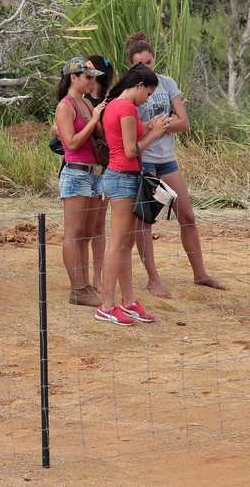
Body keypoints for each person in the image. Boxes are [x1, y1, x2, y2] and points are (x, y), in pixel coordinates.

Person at [126, 33, 226, 297]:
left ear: (154, 60)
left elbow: (184, 122)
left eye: (149, 62)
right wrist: (157, 126)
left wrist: (159, 126)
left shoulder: (166, 83)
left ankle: (200, 273)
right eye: (140, 65)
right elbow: (132, 129)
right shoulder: (131, 89)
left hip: (167, 159)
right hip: (144, 161)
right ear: (132, 67)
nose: (146, 68)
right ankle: (153, 278)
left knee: (188, 216)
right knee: (146, 222)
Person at [95, 63, 169, 326]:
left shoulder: (116, 105)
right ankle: (106, 304)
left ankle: (128, 301)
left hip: (122, 177)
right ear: (138, 86)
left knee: (124, 244)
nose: (147, 99)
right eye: (147, 94)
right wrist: (156, 133)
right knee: (117, 244)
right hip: (123, 178)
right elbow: (129, 150)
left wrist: (148, 126)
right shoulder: (126, 107)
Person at [53, 57, 107, 307]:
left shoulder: (85, 103)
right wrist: (94, 120)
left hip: (93, 173)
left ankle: (84, 286)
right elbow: (71, 143)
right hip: (76, 172)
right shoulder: (65, 106)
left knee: (85, 234)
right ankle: (77, 288)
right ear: (73, 78)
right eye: (87, 77)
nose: (92, 81)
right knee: (74, 234)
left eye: (93, 77)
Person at [85, 55, 114, 292]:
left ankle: (97, 276)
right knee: (82, 227)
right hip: (83, 166)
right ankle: (82, 278)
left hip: (103, 167)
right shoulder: (80, 99)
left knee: (98, 226)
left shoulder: (111, 100)